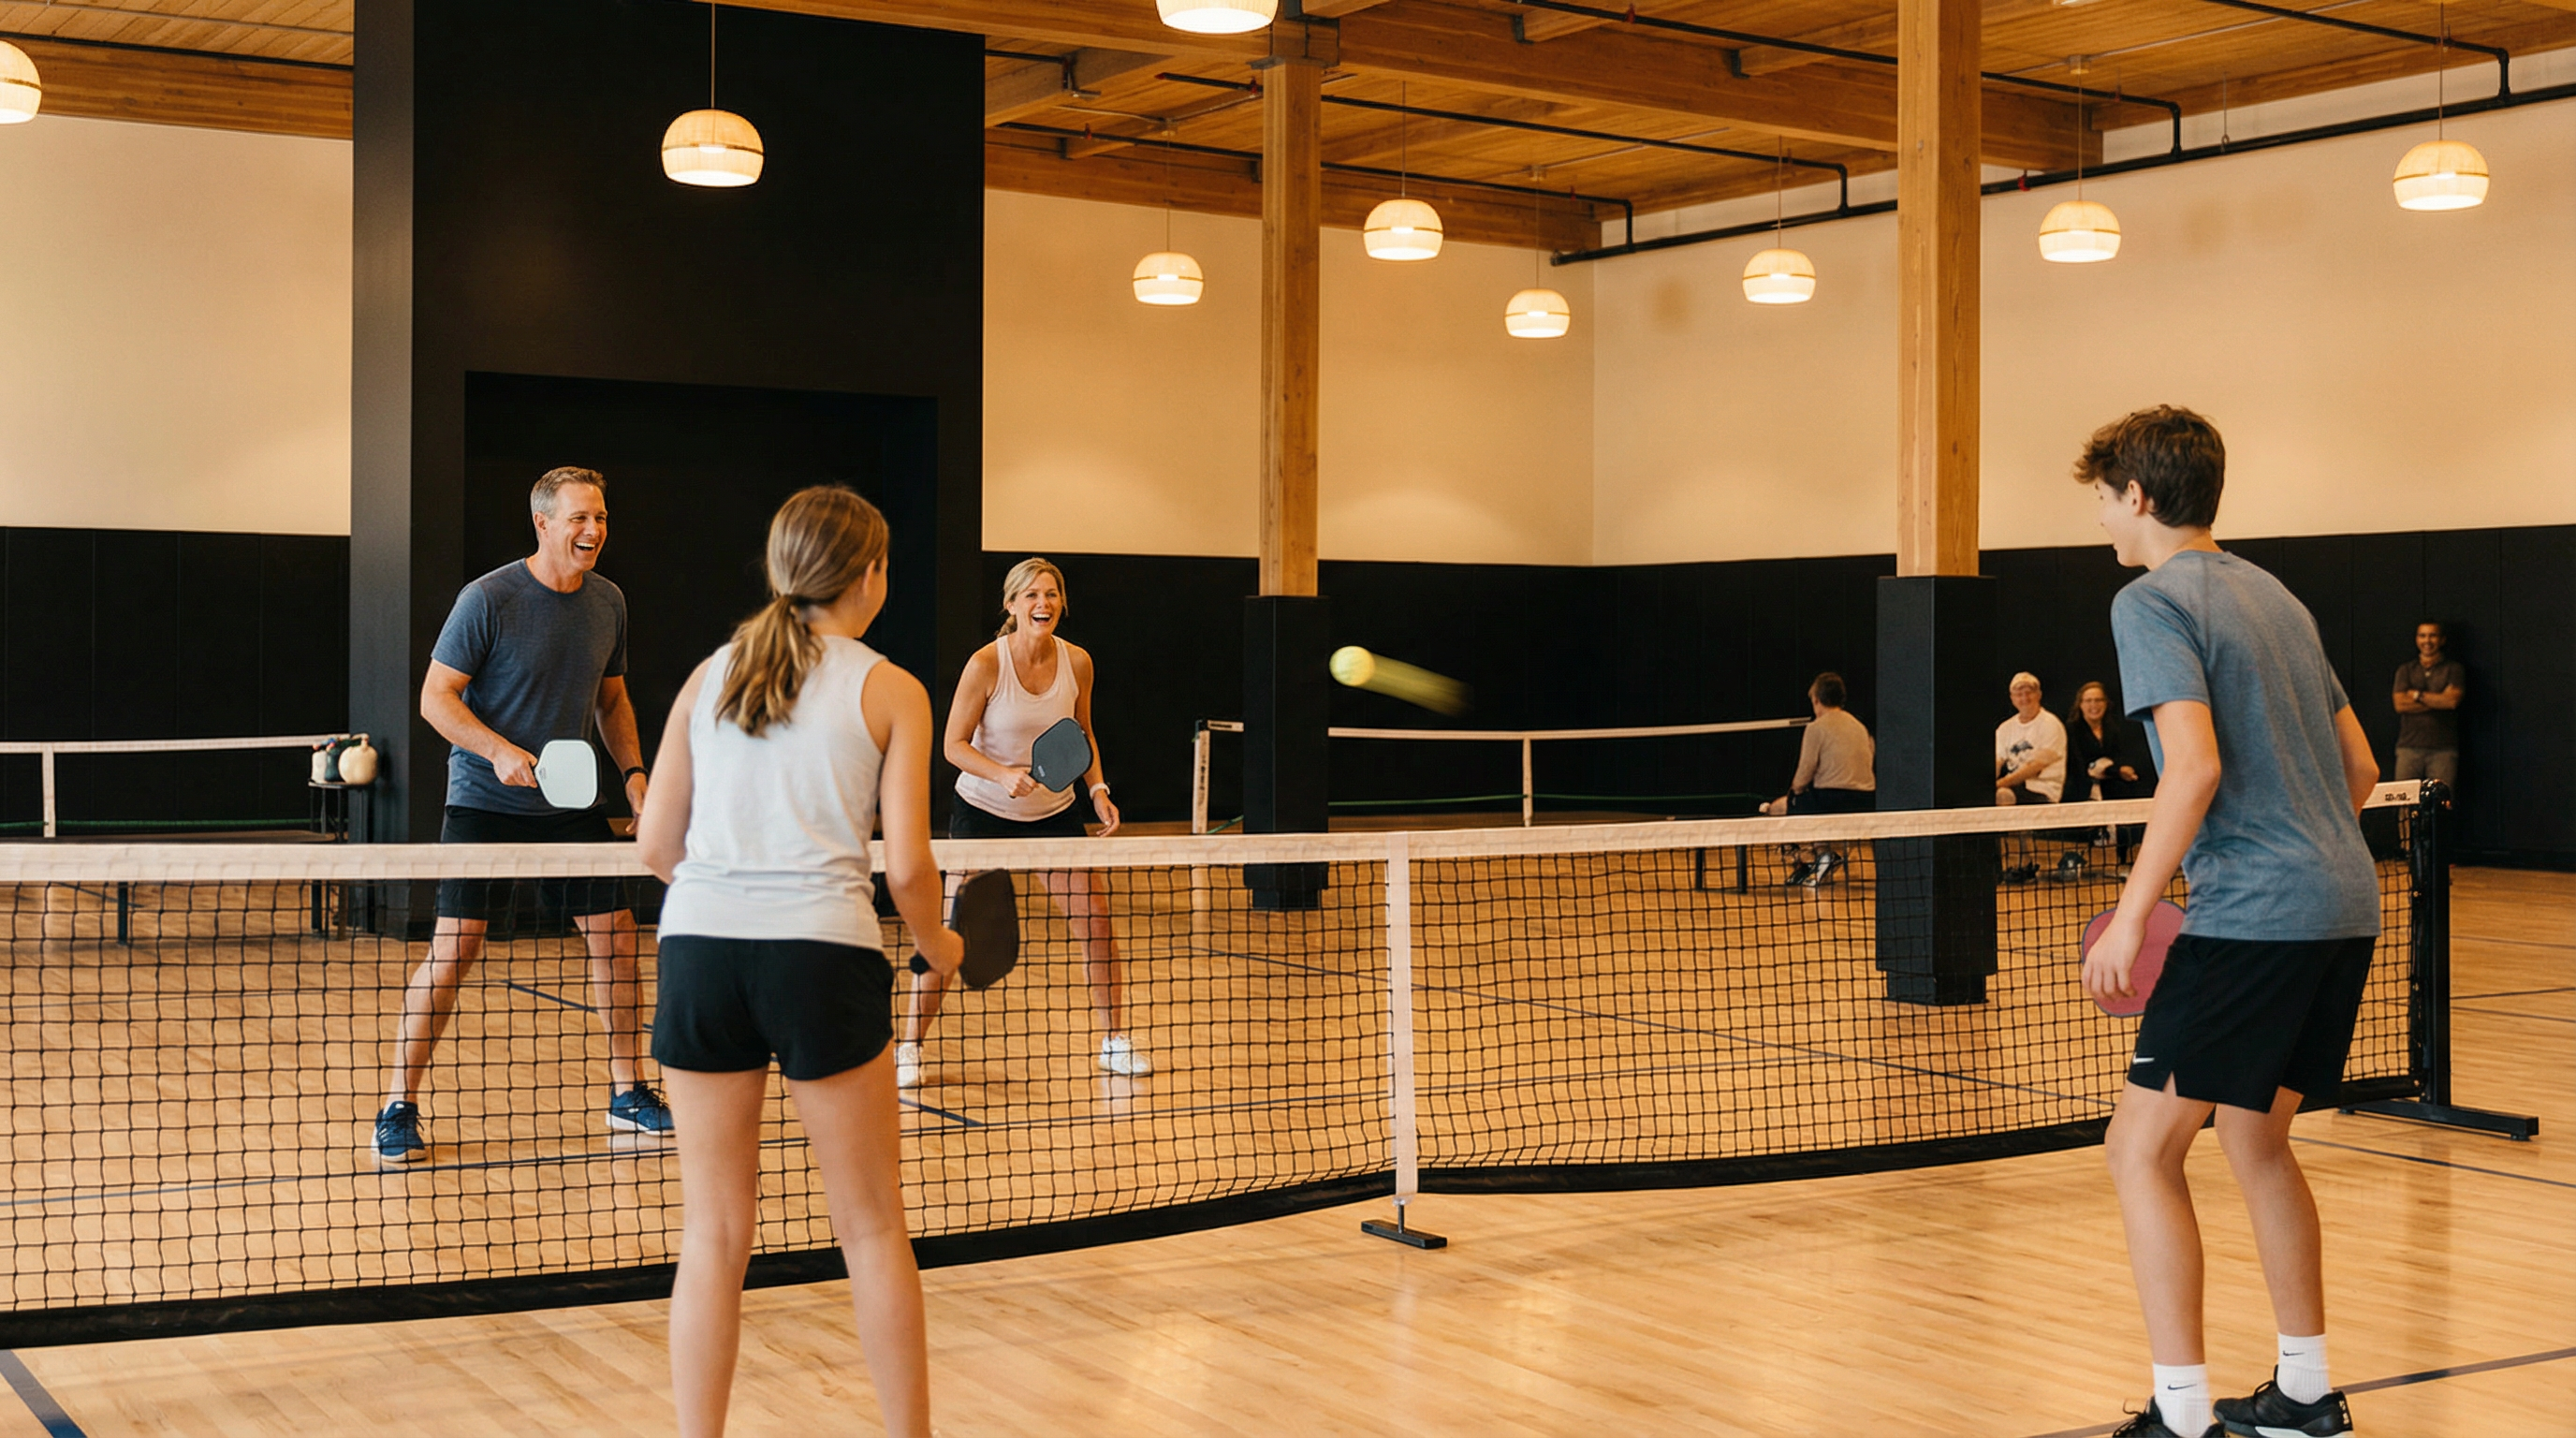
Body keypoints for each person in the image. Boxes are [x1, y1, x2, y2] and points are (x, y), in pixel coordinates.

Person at [2075, 406, 2380, 1438]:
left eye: (2106, 500)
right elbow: (2363, 770)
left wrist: (2130, 917)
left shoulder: (2150, 601)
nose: (2104, 522)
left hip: (2253, 919)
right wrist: (2299, 847)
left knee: (2139, 1152)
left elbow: (2193, 768)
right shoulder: (2277, 598)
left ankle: (2183, 1413)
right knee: (2256, 1140)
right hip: (2343, 904)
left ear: (2141, 498)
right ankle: (2303, 1394)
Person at [637, 485, 958, 1438]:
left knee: (713, 1234)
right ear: (867, 576)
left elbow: (658, 842)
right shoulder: (890, 687)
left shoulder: (709, 676)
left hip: (698, 951)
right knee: (868, 1229)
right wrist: (938, 947)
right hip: (820, 956)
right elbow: (905, 866)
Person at [373, 466, 669, 1166]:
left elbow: (613, 700)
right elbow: (437, 699)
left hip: (565, 803)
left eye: (599, 517)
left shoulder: (608, 602)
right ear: (543, 523)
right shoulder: (489, 599)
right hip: (484, 799)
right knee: (454, 952)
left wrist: (634, 777)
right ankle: (398, 1103)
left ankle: (627, 1092)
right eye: (578, 518)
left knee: (618, 940)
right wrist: (498, 749)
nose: (593, 530)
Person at [898, 558, 1145, 1088]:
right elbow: (952, 745)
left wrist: (1097, 790)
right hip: (983, 814)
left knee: (1095, 921)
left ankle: (1115, 1042)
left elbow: (1083, 734)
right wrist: (1002, 774)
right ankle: (909, 1047)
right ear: (1011, 605)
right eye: (1031, 595)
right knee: (949, 933)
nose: (1043, 603)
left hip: (1052, 815)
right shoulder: (987, 664)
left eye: (1051, 594)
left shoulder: (1077, 662)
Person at [1759, 671, 1874, 888]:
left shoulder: (1816, 728)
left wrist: (1794, 793)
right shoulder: (1861, 728)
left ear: (1816, 700)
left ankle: (1805, 862)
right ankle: (1824, 855)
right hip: (1866, 801)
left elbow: (1803, 776)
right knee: (1811, 807)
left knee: (1777, 808)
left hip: (1831, 800)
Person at [2390, 621, 2464, 790]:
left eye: (2432, 635)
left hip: (2443, 749)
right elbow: (2400, 705)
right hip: (2408, 747)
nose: (2427, 641)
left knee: (2441, 805)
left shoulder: (2453, 669)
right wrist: (2438, 700)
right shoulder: (2406, 670)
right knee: (2404, 804)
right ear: (2417, 639)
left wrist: (2417, 696)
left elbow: (2451, 702)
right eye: (2422, 635)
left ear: (2442, 640)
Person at [1994, 671, 2068, 806]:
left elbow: (2036, 766)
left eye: (2029, 692)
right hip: (2014, 787)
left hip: (2042, 790)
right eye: (2019, 694)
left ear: (2039, 695)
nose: (2024, 698)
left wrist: (1999, 784)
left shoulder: (2051, 724)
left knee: (2002, 795)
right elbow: (1997, 761)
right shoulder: (2005, 728)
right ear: (2012, 698)